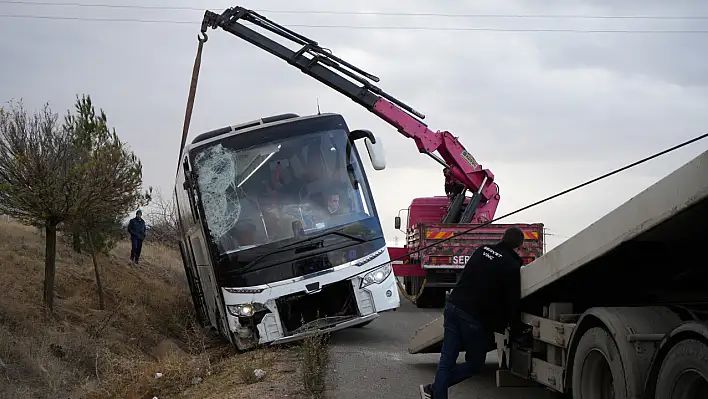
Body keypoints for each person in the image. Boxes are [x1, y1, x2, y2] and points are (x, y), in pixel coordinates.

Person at [419, 227, 525, 399]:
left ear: (503, 238)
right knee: (475, 363)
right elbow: (512, 301)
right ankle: (434, 389)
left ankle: (435, 392)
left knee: (447, 359)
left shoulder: (483, 250)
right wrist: (515, 327)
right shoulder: (511, 266)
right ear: (519, 246)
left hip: (453, 306)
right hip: (473, 317)